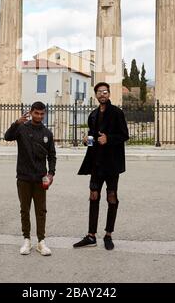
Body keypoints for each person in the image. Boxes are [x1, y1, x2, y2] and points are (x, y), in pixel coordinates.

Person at [73, 82, 129, 250]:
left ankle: (108, 234)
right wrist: (87, 141)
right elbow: (93, 138)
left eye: (105, 92)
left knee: (111, 197)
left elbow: (124, 135)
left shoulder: (117, 113)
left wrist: (109, 139)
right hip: (96, 164)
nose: (102, 94)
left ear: (109, 94)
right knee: (93, 196)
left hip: (112, 164)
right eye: (99, 92)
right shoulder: (93, 115)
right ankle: (91, 236)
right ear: (96, 95)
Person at [4, 101, 56, 256]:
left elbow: (52, 156)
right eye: (36, 113)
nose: (39, 116)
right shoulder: (22, 128)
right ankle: (27, 240)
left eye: (42, 114)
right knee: (24, 210)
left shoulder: (47, 133)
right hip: (24, 177)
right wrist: (16, 123)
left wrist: (51, 174)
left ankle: (41, 242)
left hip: (41, 179)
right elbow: (7, 137)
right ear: (31, 112)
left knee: (41, 211)